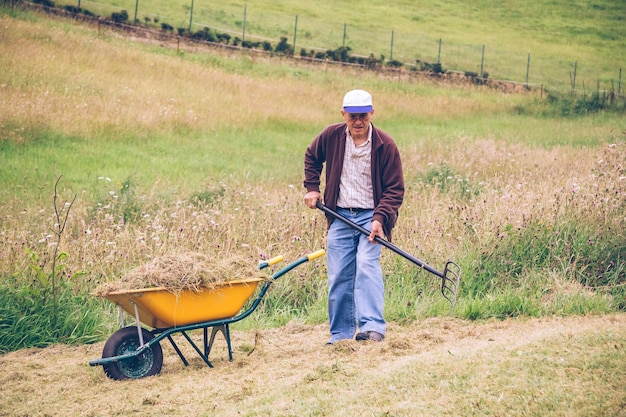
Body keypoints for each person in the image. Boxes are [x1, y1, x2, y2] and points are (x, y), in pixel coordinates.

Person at [303, 89, 404, 344]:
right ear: (343, 114)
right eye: (352, 117)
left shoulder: (385, 145)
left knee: (367, 267)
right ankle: (341, 336)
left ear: (372, 113)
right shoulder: (332, 136)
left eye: (362, 116)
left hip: (372, 216)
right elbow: (312, 157)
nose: (358, 122)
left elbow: (394, 189)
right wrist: (312, 188)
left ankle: (372, 329)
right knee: (339, 275)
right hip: (339, 216)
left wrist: (380, 218)